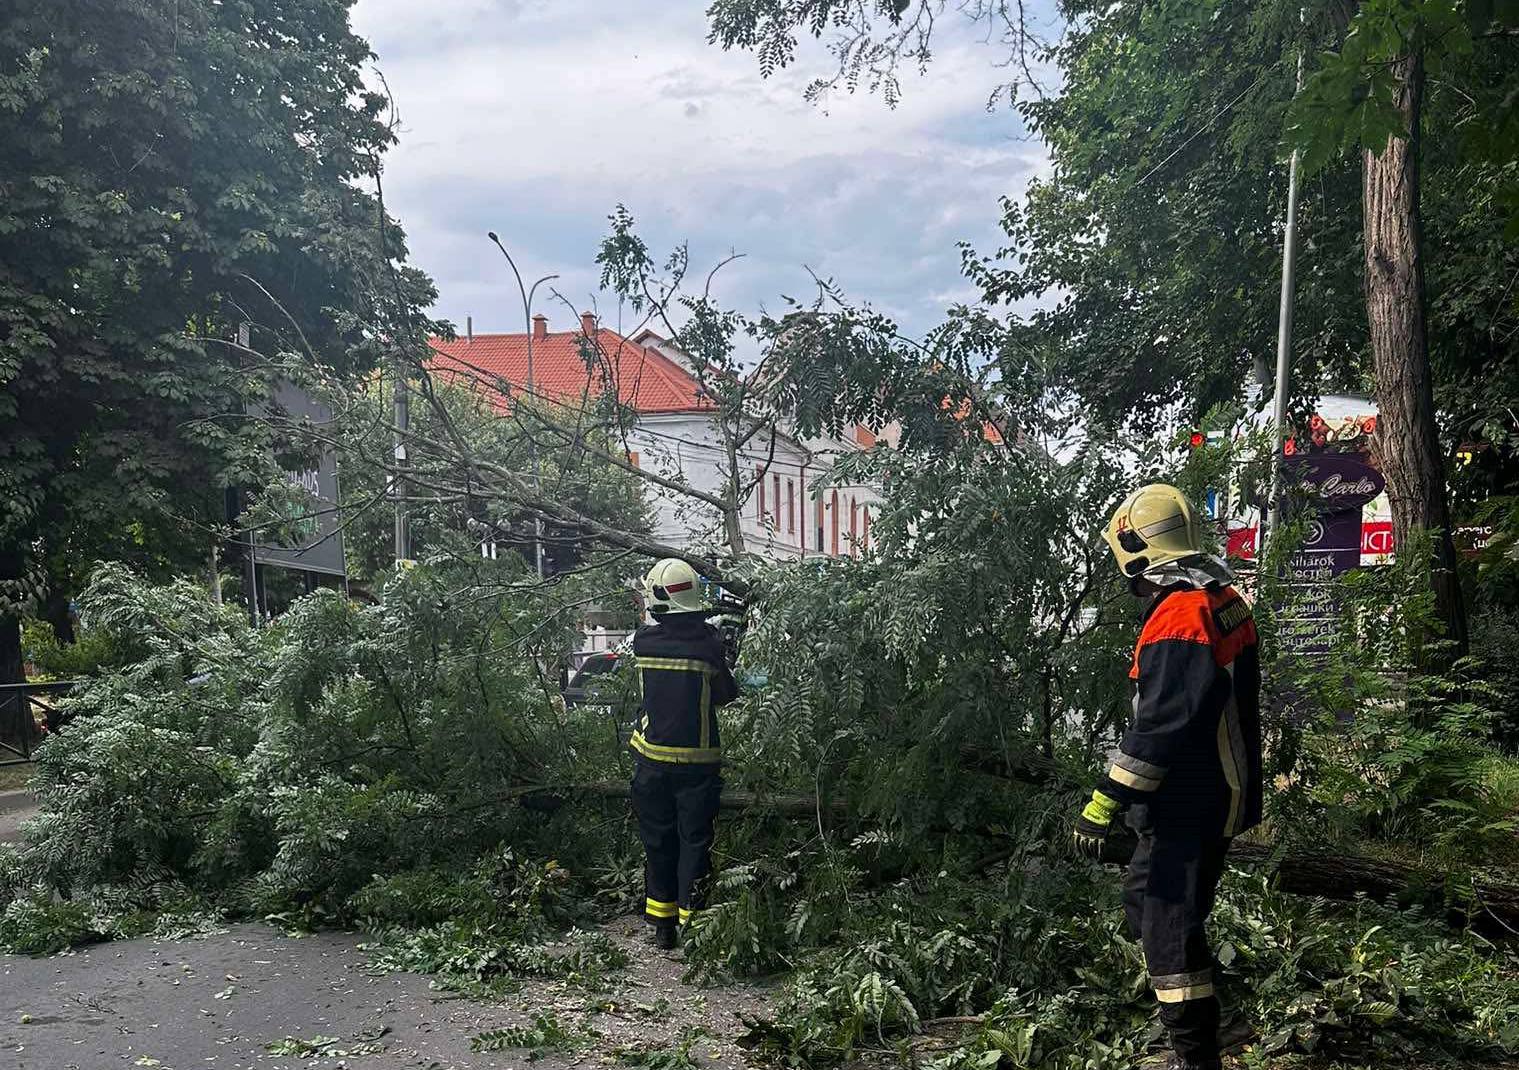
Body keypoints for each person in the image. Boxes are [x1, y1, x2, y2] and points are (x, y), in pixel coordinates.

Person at [1072, 484, 1262, 1070]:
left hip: (1193, 798)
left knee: (1168, 931)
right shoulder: (1219, 594)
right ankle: (1218, 1019)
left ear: (1137, 552)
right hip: (1211, 788)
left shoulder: (1181, 617)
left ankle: (1196, 1053)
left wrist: (1104, 802)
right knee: (1145, 899)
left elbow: (1159, 729)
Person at [630, 558, 739, 950]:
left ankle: (663, 927)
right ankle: (695, 927)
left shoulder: (644, 642)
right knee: (694, 842)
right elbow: (726, 694)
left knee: (658, 841)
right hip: (697, 765)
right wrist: (724, 650)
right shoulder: (707, 648)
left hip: (651, 760)